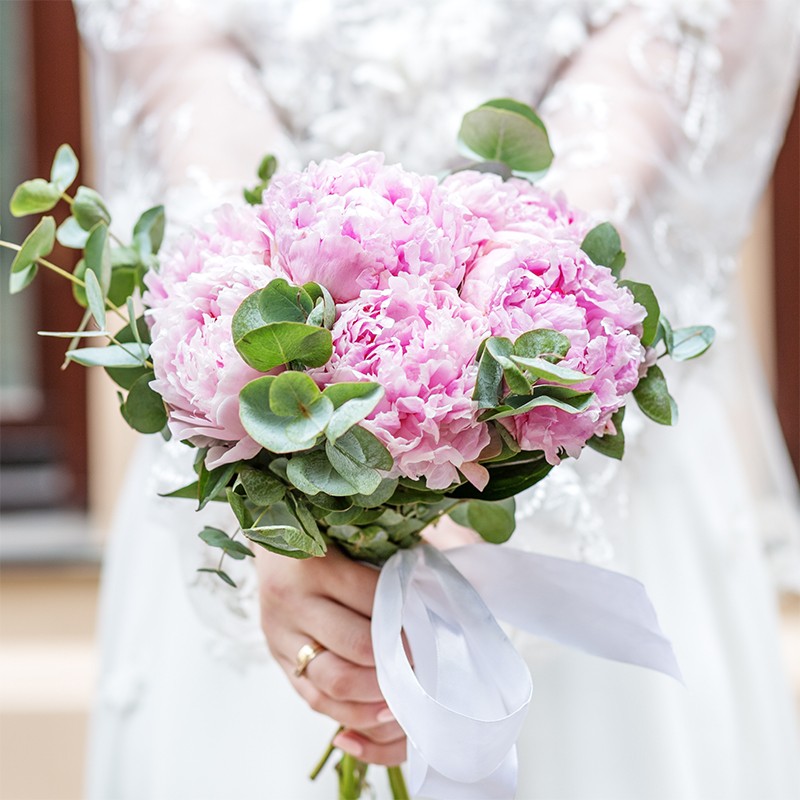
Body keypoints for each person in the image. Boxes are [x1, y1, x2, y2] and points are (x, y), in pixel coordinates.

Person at [74, 0, 800, 797]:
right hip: (275, 477)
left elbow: (633, 123)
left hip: (579, 465)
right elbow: (196, 107)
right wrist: (279, 523)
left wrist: (482, 477)